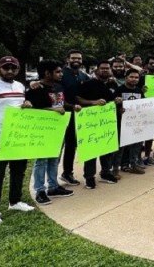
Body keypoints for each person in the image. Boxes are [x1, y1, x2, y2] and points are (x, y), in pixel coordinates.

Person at [0, 56, 36, 225]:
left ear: (18, 69)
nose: (9, 71)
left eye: (13, 68)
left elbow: (17, 106)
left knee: (18, 171)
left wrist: (26, 104)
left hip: (17, 136)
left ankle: (15, 201)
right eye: (6, 67)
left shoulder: (19, 86)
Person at [26, 59, 80, 205]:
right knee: (41, 161)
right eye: (57, 71)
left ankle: (53, 187)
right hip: (43, 131)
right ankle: (40, 190)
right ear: (47, 73)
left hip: (58, 130)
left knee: (54, 159)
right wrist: (52, 110)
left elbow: (61, 104)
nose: (61, 74)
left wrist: (72, 106)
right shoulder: (36, 89)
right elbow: (32, 111)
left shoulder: (58, 87)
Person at [76, 60, 120, 188]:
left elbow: (114, 99)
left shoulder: (113, 84)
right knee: (92, 150)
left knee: (107, 148)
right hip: (91, 122)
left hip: (108, 121)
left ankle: (105, 172)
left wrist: (117, 100)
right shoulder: (88, 84)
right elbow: (78, 98)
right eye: (102, 68)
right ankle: (89, 177)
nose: (105, 70)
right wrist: (93, 102)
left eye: (107, 68)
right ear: (97, 70)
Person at [60, 50, 90, 186]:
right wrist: (71, 106)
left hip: (81, 115)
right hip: (63, 114)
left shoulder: (84, 76)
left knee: (74, 144)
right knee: (66, 145)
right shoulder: (61, 74)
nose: (76, 60)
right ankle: (66, 173)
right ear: (68, 59)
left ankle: (68, 172)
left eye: (79, 58)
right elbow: (56, 95)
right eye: (73, 58)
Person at [114, 68, 147, 175]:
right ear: (126, 78)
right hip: (122, 123)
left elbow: (144, 104)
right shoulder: (119, 90)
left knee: (136, 146)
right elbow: (111, 106)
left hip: (136, 123)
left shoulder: (139, 91)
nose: (134, 79)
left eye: (136, 77)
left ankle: (133, 165)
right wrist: (118, 107)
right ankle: (115, 169)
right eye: (131, 77)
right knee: (120, 148)